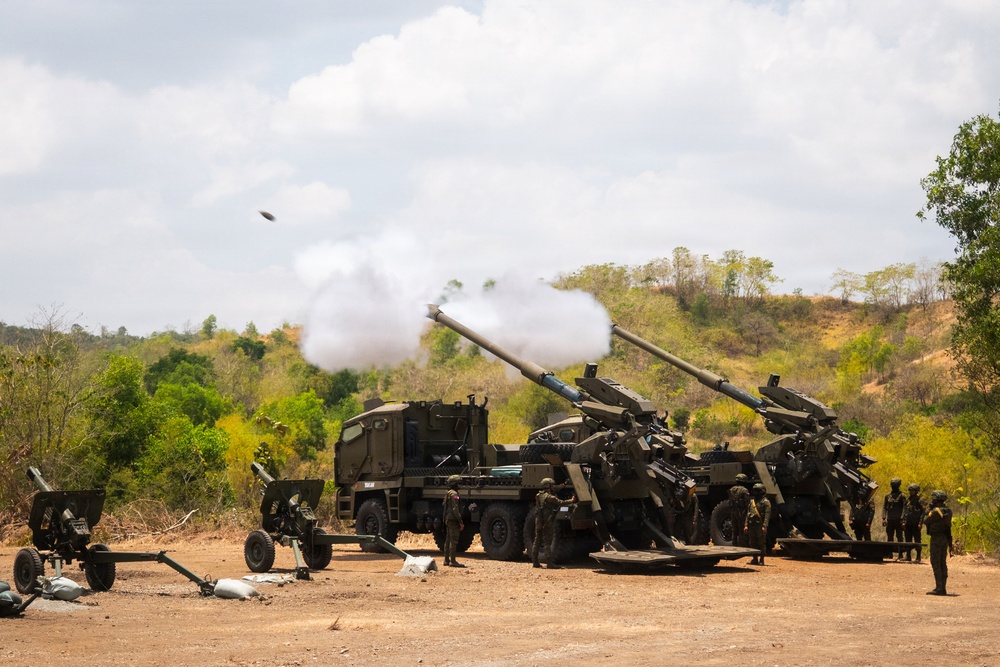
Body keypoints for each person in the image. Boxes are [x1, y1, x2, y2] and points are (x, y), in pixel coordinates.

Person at [532, 478, 575, 569]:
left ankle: (535, 562)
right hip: (547, 521)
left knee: (537, 540)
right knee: (547, 541)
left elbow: (555, 489)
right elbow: (560, 502)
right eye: (551, 485)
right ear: (548, 486)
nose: (553, 487)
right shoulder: (549, 497)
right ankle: (549, 563)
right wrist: (571, 500)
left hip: (538, 520)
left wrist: (562, 486)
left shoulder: (539, 495)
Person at [924, 490, 953, 596]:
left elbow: (926, 520)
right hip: (945, 538)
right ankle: (942, 587)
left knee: (936, 562)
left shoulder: (935, 511)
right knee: (942, 562)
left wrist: (928, 509)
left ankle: (939, 588)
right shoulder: (948, 511)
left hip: (936, 538)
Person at [744, 483, 771, 566]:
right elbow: (748, 514)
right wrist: (746, 525)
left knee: (761, 543)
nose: (754, 492)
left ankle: (761, 559)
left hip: (760, 525)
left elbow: (767, 515)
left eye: (756, 491)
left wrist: (764, 526)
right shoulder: (752, 502)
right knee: (753, 542)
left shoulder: (766, 502)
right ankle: (755, 559)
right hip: (752, 525)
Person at [442, 475, 465, 568]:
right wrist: (460, 521)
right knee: (453, 540)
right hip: (453, 519)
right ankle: (453, 561)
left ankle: (446, 560)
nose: (460, 485)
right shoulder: (454, 495)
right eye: (459, 483)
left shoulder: (448, 493)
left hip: (448, 519)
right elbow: (455, 509)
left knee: (448, 539)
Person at [882, 477, 906, 558]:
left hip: (899, 520)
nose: (893, 487)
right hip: (890, 519)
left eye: (895, 485)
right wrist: (884, 518)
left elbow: (904, 508)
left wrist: (902, 519)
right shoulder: (887, 496)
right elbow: (884, 507)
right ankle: (889, 553)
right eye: (892, 485)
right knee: (890, 536)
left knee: (899, 537)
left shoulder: (902, 496)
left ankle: (900, 554)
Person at [903, 483, 926, 562]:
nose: (911, 492)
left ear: (916, 491)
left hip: (916, 523)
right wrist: (903, 521)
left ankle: (918, 557)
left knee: (917, 540)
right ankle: (908, 556)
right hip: (908, 523)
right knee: (908, 540)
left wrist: (920, 523)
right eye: (910, 490)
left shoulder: (920, 501)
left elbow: (923, 512)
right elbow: (904, 511)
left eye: (912, 490)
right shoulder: (907, 500)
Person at [728, 473, 752, 547]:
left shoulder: (731, 490)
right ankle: (742, 546)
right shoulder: (744, 490)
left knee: (734, 530)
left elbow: (730, 502)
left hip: (733, 511)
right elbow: (747, 502)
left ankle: (734, 544)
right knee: (742, 530)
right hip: (742, 512)